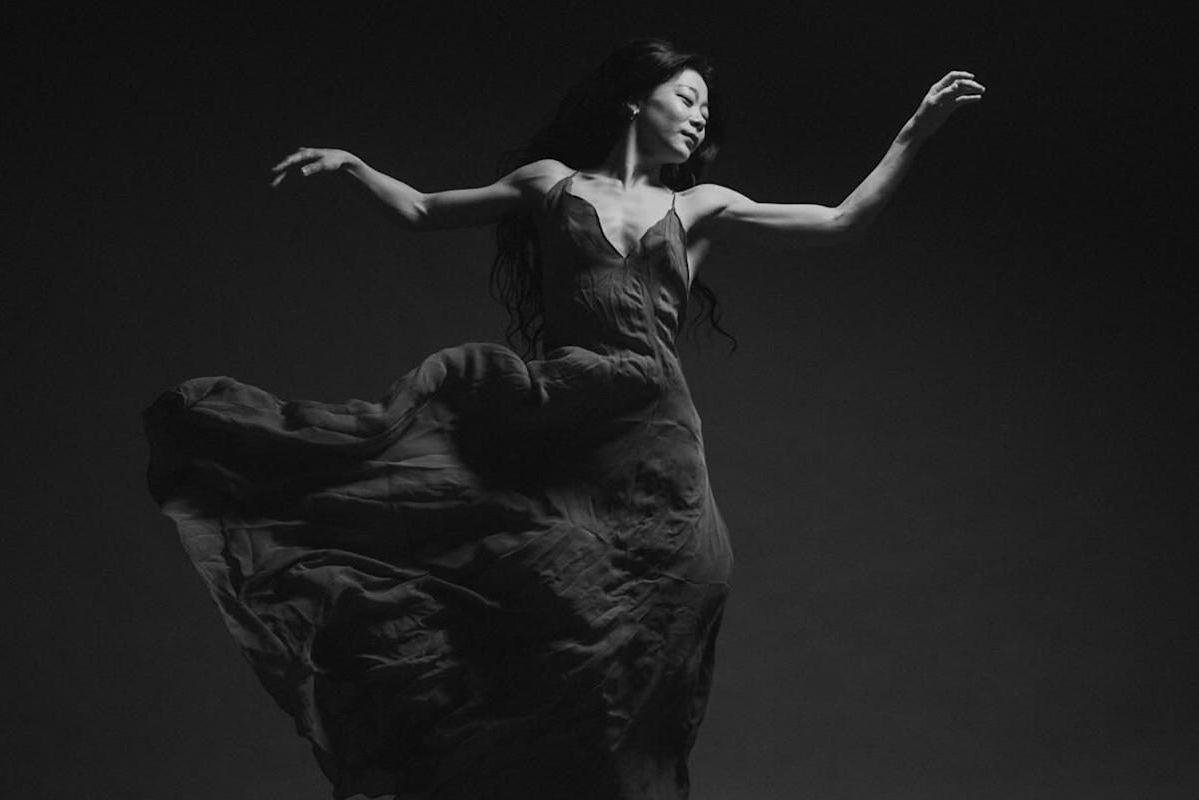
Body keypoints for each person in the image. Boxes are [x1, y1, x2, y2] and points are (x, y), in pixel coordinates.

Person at [144, 37, 983, 800]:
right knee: (528, 598)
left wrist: (913, 131)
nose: (698, 118)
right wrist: (356, 166)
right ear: (634, 101)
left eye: (703, 108)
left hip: (656, 442)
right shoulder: (550, 186)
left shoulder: (701, 208)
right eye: (684, 98)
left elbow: (840, 221)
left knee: (675, 604)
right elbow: (427, 211)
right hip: (564, 417)